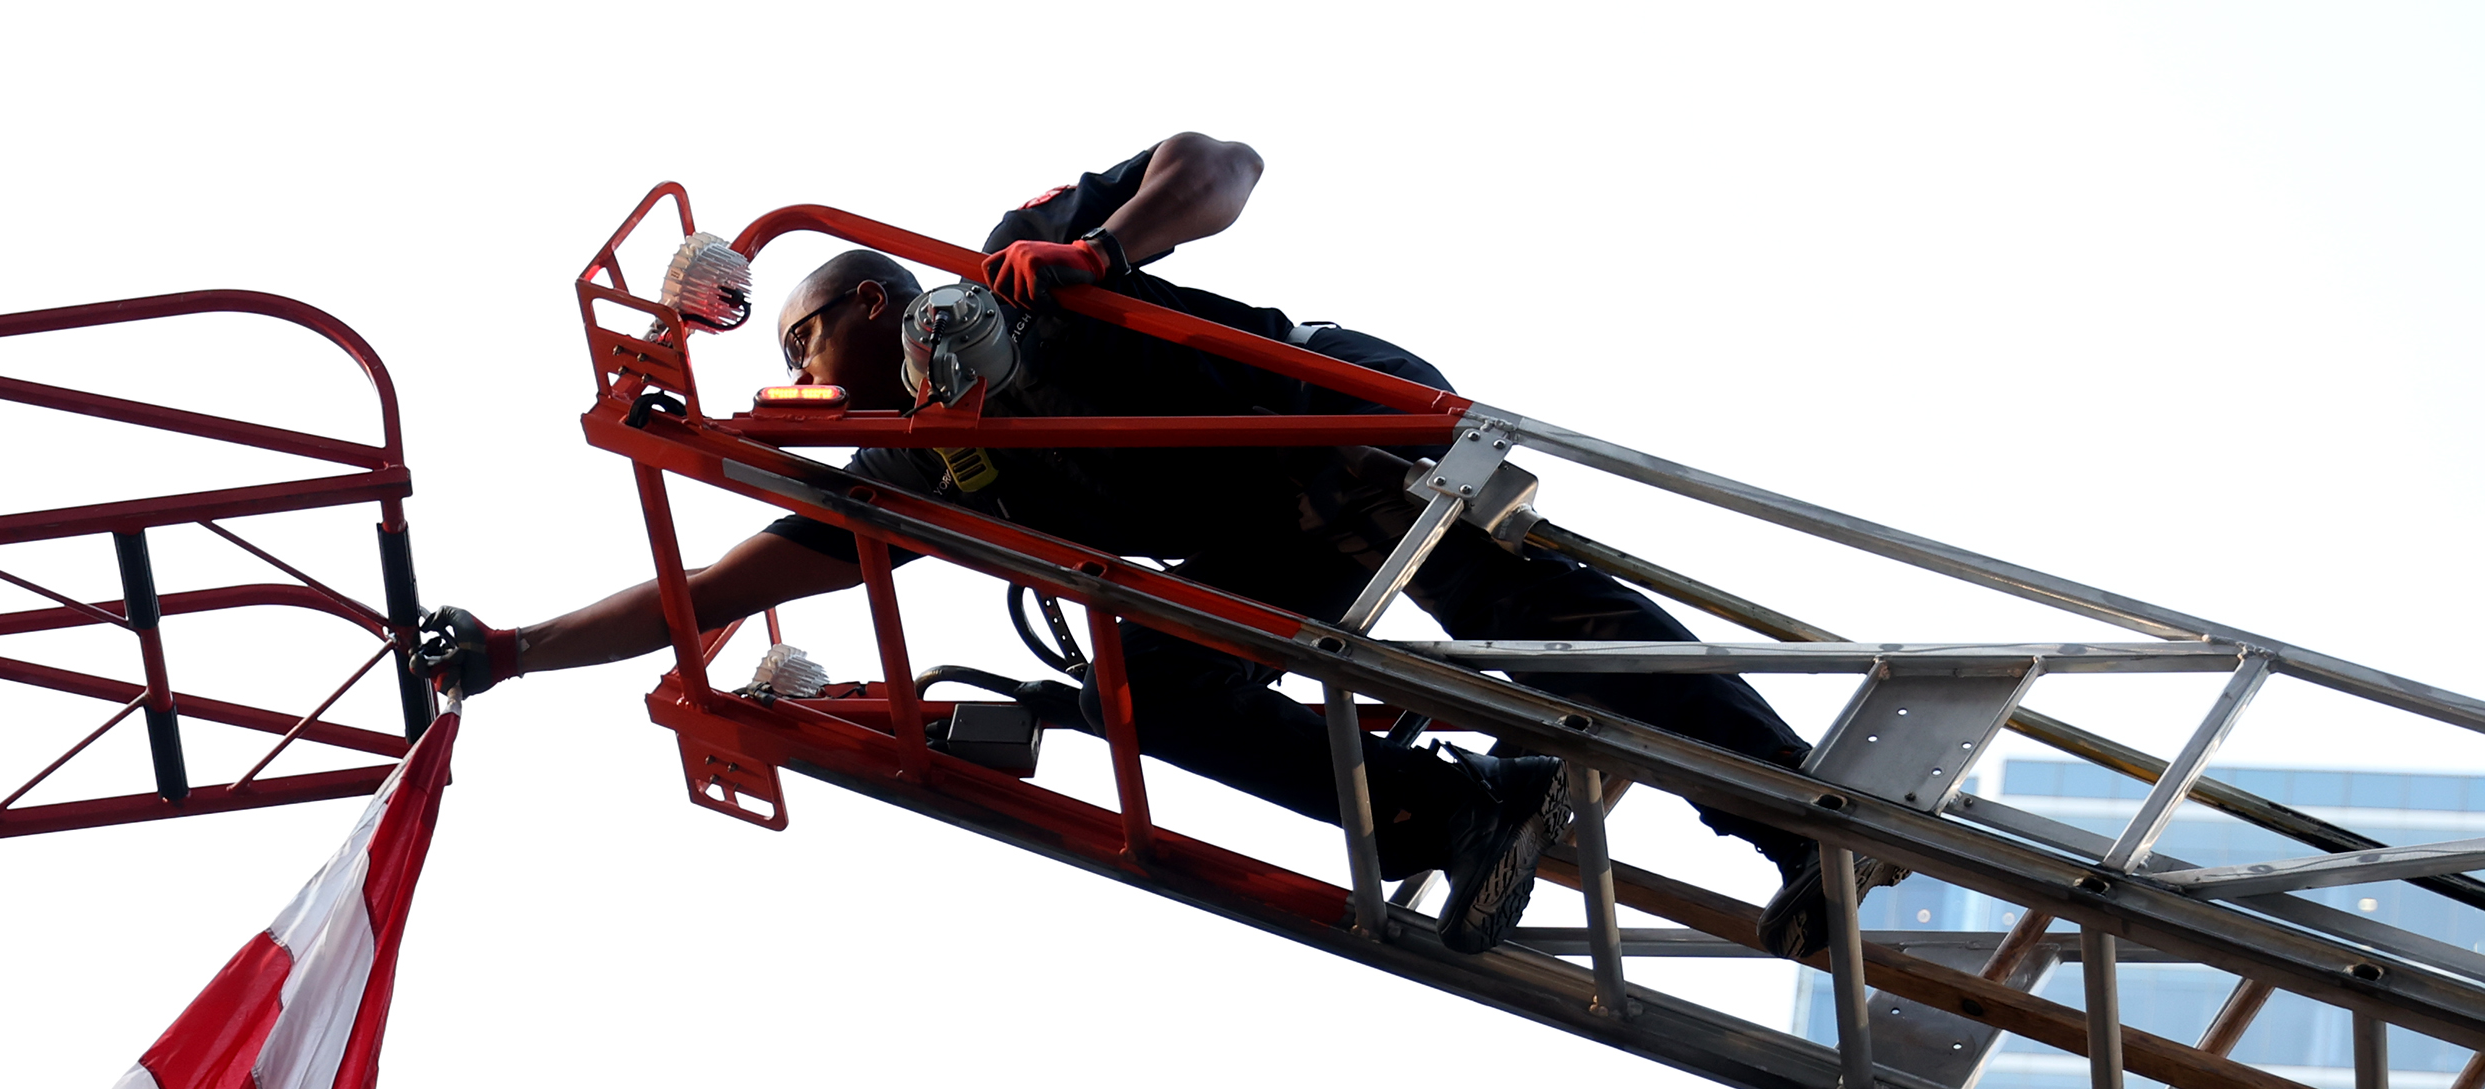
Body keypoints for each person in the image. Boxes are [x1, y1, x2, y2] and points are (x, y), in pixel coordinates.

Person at [419, 137, 1843, 959]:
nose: (802, 373)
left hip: (1322, 435)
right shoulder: (912, 478)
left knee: (1537, 618)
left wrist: (1106, 253)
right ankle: (1450, 810)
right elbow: (720, 589)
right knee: (1146, 686)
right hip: (1254, 555)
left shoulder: (1008, 267)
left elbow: (1222, 162)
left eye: (802, 339)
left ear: (868, 296)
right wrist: (515, 651)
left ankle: (1797, 824)